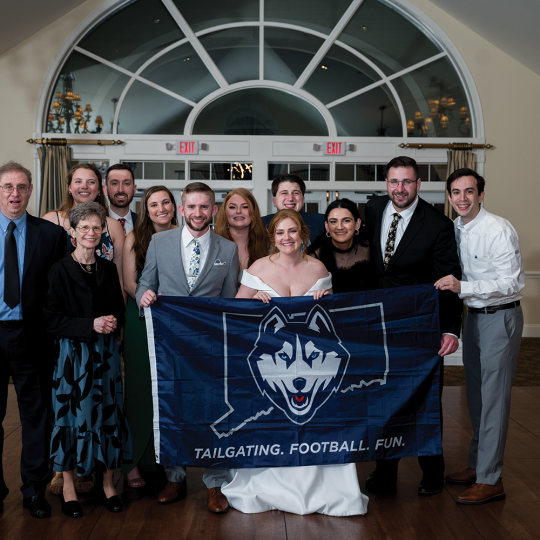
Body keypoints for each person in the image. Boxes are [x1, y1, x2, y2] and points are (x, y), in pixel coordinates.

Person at [229, 209, 369, 516]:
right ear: (273, 237)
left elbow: (332, 326)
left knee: (318, 425)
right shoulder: (258, 267)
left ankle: (322, 490)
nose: (286, 238)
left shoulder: (318, 269)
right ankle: (269, 488)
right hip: (276, 369)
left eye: (292, 231)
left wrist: (327, 300)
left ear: (302, 234)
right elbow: (236, 312)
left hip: (312, 367)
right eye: (280, 233)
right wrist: (253, 304)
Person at [136, 182, 239, 512]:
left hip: (210, 348)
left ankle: (215, 483)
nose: (197, 213)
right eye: (191, 207)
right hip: (170, 345)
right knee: (173, 408)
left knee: (216, 411)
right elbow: (144, 284)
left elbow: (230, 303)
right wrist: (144, 297)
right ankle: (175, 477)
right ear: (182, 210)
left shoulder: (228, 249)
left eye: (204, 207)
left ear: (214, 210)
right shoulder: (159, 241)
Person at [364, 156, 462, 496]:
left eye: (407, 182)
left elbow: (449, 281)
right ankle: (385, 471)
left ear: (418, 184)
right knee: (383, 400)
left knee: (425, 399)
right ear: (386, 184)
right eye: (394, 182)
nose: (400, 189)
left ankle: (432, 470)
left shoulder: (437, 225)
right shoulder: (372, 211)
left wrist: (451, 328)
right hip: (378, 327)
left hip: (421, 327)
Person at [435, 168, 524, 505]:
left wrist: (463, 287)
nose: (462, 199)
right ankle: (477, 465)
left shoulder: (498, 229)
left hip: (500, 318)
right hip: (473, 317)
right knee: (476, 396)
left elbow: (511, 283)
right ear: (449, 196)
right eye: (456, 192)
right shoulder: (455, 228)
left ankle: (491, 479)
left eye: (469, 192)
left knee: (494, 399)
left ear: (481, 195)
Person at [44, 202, 132, 518]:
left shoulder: (108, 268)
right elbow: (51, 319)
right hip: (73, 356)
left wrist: (112, 322)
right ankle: (69, 487)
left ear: (103, 232)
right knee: (69, 417)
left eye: (96, 227)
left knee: (109, 414)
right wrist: (89, 324)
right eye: (84, 228)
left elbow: (119, 311)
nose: (91, 233)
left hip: (106, 354)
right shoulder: (58, 270)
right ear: (73, 233)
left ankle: (108, 483)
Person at [0, 161, 66, 518]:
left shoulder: (49, 235)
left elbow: (56, 294)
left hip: (33, 337)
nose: (15, 193)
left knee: (36, 416)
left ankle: (34, 490)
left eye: (22, 187)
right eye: (8, 186)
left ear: (30, 191)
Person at [121, 186, 178, 488]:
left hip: (175, 320)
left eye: (166, 202)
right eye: (154, 204)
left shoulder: (183, 235)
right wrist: (147, 300)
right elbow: (129, 283)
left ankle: (161, 459)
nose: (161, 208)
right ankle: (131, 464)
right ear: (146, 210)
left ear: (174, 206)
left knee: (168, 391)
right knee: (141, 388)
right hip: (141, 318)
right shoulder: (135, 238)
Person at [42, 163, 125, 278]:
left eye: (91, 182)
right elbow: (40, 270)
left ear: (99, 189)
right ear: (69, 188)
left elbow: (119, 276)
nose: (84, 186)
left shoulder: (114, 226)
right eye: (78, 181)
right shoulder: (51, 220)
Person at [308, 198, 376, 292]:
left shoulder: (370, 248)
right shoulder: (314, 256)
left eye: (346, 221)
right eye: (333, 221)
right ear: (327, 226)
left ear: (357, 224)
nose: (339, 227)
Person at [214, 188, 270, 273]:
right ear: (225, 212)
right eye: (232, 207)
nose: (238, 211)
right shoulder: (212, 244)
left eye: (245, 207)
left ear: (254, 212)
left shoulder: (267, 245)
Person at [261, 174, 325, 242]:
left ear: (303, 200)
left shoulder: (322, 222)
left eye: (295, 193)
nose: (290, 198)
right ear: (274, 201)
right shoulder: (261, 224)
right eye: (284, 193)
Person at [103, 163, 138, 235]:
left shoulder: (144, 223)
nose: (120, 190)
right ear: (105, 189)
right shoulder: (97, 222)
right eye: (115, 183)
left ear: (134, 189)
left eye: (126, 183)